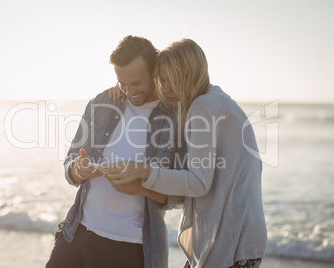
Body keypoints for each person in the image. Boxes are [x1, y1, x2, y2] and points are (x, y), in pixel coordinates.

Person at [104, 38, 267, 267]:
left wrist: (143, 170)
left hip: (231, 246)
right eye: (162, 80)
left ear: (190, 74)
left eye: (174, 79)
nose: (167, 88)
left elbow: (199, 182)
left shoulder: (203, 107)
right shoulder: (218, 101)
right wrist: (124, 90)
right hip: (242, 241)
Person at [45, 35, 186, 268]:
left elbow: (182, 195)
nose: (129, 92)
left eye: (136, 83)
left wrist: (140, 188)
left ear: (155, 73)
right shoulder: (102, 103)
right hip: (77, 233)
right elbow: (69, 163)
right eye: (123, 83)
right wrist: (78, 171)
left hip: (130, 246)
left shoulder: (175, 120)